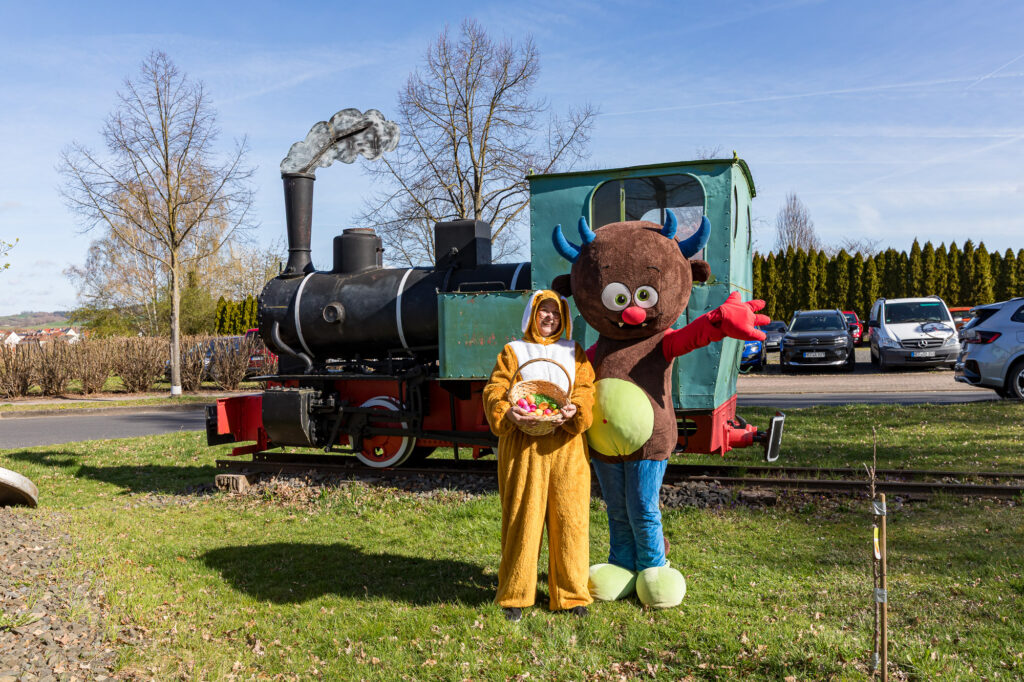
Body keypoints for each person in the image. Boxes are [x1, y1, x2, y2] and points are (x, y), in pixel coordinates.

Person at [482, 290, 596, 621]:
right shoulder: (513, 351)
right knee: (522, 519)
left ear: (564, 318)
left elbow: (586, 390)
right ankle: (515, 595)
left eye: (556, 313)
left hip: (566, 448)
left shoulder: (574, 352)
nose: (549, 318)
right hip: (523, 447)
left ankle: (572, 595)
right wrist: (507, 412)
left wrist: (575, 411)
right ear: (532, 315)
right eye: (543, 312)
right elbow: (494, 389)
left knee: (571, 521)